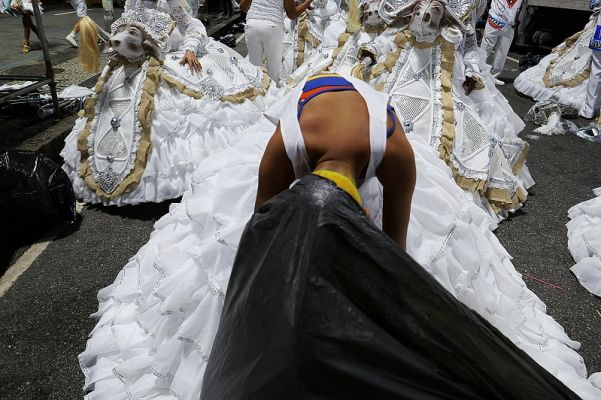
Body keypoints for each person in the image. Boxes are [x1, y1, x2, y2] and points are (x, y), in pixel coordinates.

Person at [200, 72, 580, 400]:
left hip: (362, 119)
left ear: (366, 210)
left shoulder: (395, 151)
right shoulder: (285, 145)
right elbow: (262, 227)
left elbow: (392, 250)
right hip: (312, 97)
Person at [240, 0, 314, 84]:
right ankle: (271, 92)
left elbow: (243, 6)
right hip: (272, 26)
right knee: (273, 71)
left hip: (251, 24)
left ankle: (257, 91)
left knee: (255, 67)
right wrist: (308, 2)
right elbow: (292, 14)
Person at [480, 0, 527, 84]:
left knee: (502, 52)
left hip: (510, 24)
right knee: (486, 48)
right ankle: (477, 73)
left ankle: (493, 76)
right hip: (495, 19)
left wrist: (517, 21)